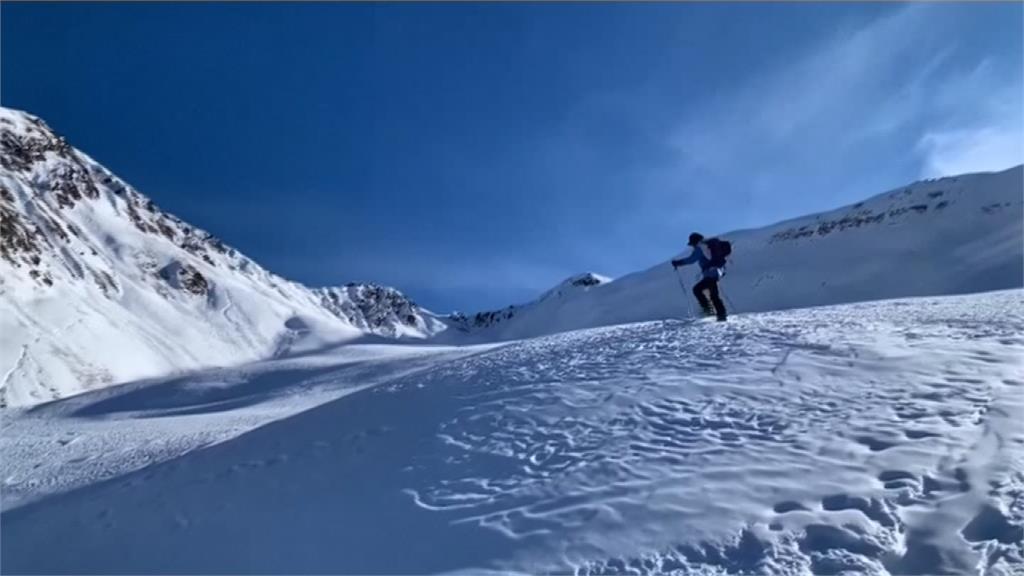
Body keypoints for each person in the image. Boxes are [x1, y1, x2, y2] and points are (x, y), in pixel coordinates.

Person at [671, 232, 727, 321]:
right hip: (715, 271)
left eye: (692, 244)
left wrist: (678, 263)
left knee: (700, 290)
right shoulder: (707, 246)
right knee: (710, 292)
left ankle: (714, 312)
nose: (692, 246)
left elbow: (691, 260)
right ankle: (717, 313)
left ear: (694, 242)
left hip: (710, 273)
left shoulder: (700, 248)